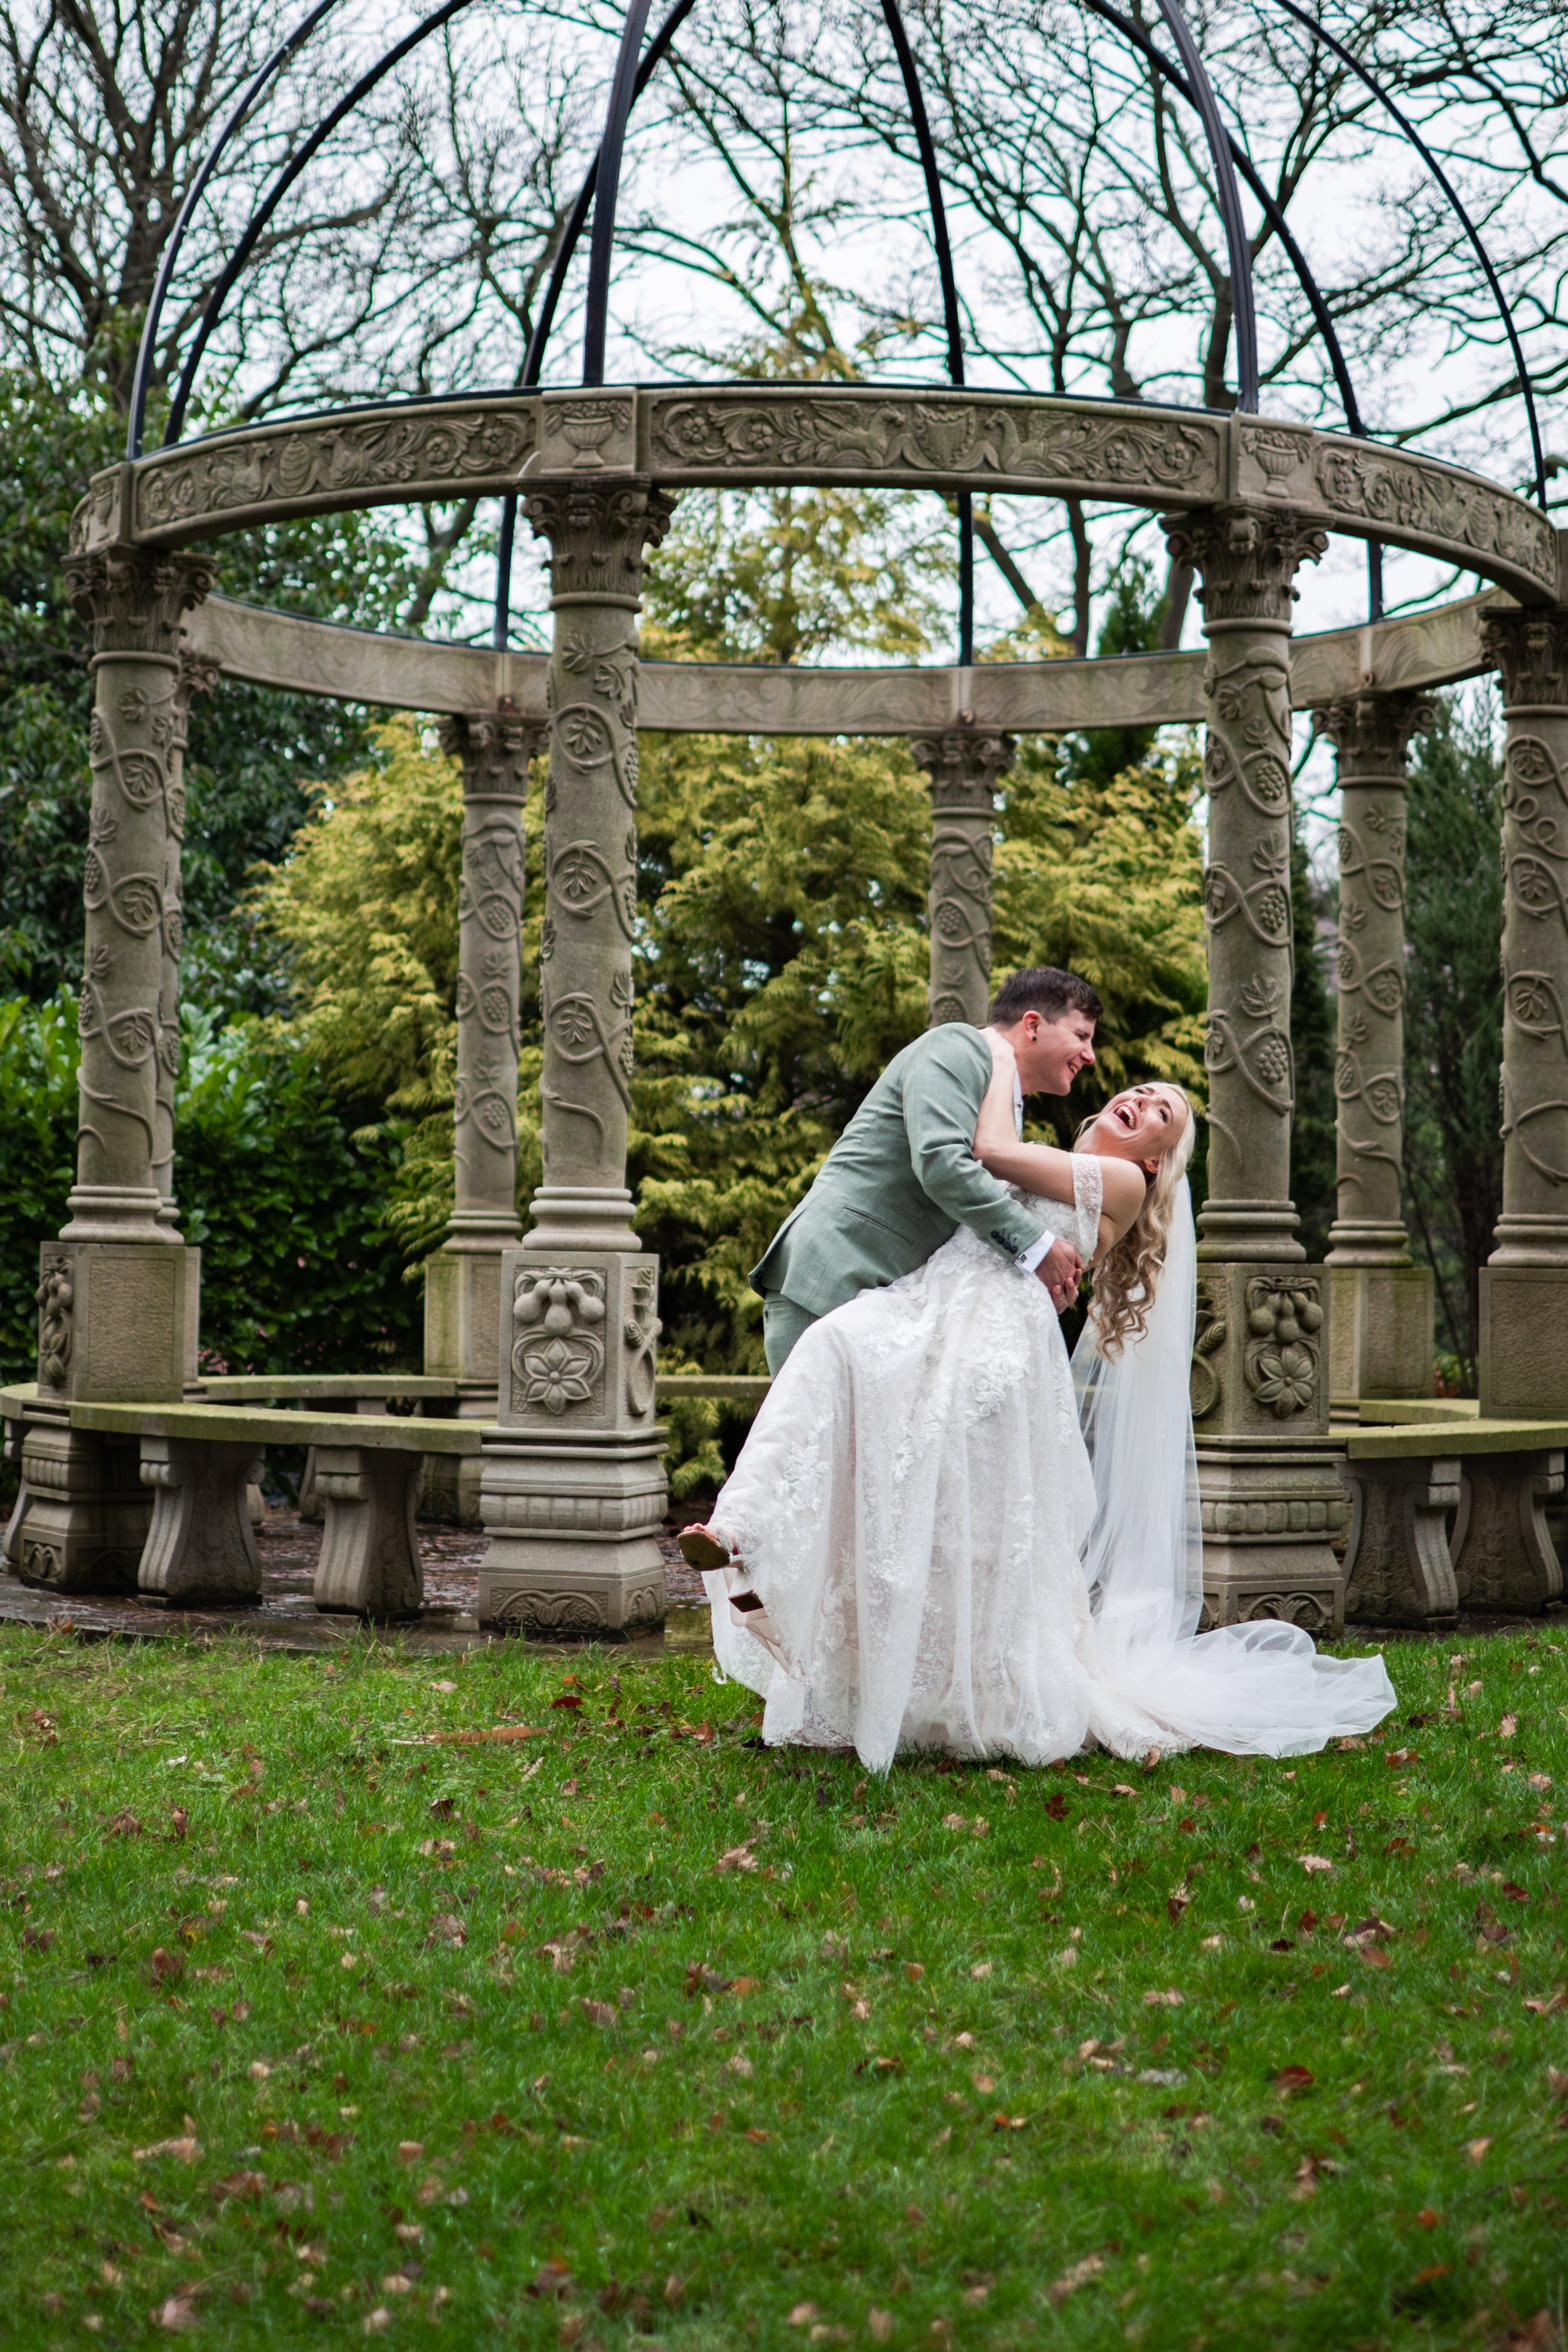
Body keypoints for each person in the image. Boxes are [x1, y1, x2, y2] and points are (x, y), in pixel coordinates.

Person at [681, 1032, 1395, 1771]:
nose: (1138, 1101)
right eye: (1140, 1092)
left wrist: (995, 1052)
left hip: (993, 1336)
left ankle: (966, 1686)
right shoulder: (1067, 1161)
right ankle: (744, 1536)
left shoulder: (1122, 1185)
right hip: (930, 1305)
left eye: (1159, 1113)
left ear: (1157, 1160)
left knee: (955, 1511)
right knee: (832, 1354)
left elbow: (987, 1151)